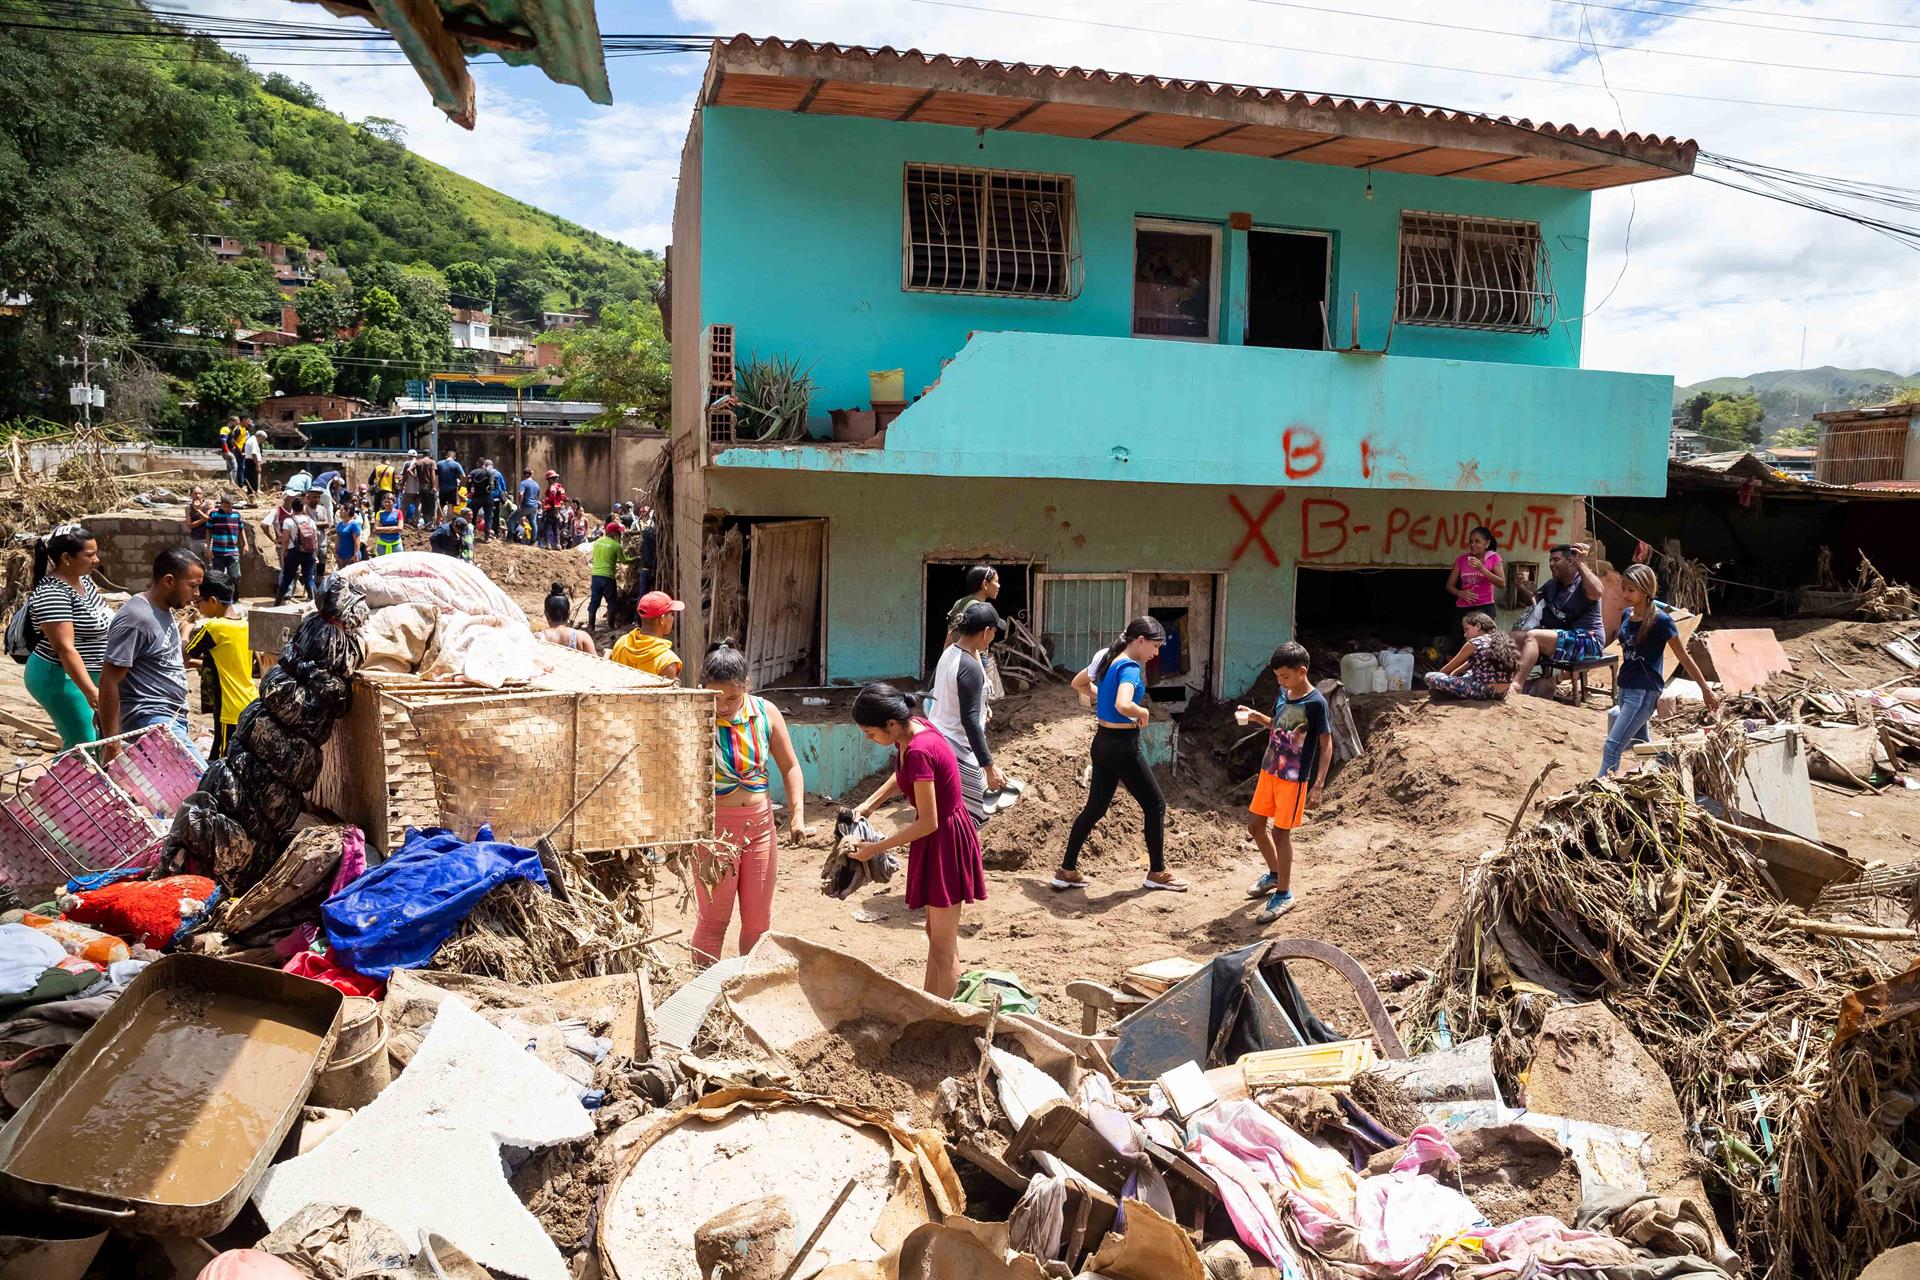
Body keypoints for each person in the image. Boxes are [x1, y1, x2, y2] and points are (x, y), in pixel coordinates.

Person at [847, 682, 986, 997]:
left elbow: (928, 821)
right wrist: (869, 804)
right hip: (939, 837)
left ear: (891, 724)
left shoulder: (920, 750)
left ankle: (953, 1022)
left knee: (944, 948)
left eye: (871, 733)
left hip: (945, 840)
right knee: (935, 936)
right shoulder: (915, 731)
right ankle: (929, 1004)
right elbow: (903, 774)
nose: (870, 740)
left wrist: (875, 849)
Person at [691, 640, 806, 966]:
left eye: (732, 697)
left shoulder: (765, 712)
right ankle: (702, 1002)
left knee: (758, 924)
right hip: (713, 834)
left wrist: (797, 814)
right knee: (713, 922)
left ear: (747, 687)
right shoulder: (693, 716)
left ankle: (749, 992)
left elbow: (790, 766)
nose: (724, 706)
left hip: (760, 828)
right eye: (716, 697)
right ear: (702, 687)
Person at [1053, 617, 1187, 893]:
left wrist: (1101, 697)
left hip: (1101, 742)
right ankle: (1157, 872)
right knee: (1156, 805)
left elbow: (1078, 683)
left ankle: (1066, 870)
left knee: (1095, 808)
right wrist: (1142, 712)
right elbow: (1124, 704)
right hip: (1123, 745)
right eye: (1155, 646)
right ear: (1140, 641)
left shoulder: (1106, 657)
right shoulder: (1129, 667)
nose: (1156, 653)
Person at [1238, 642, 1333, 923]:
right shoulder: (1283, 693)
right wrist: (1257, 718)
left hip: (1293, 779)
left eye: (1285, 676)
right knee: (1255, 826)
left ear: (1301, 671)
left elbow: (1327, 745)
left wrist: (1318, 784)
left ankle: (1284, 893)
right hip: (1270, 771)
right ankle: (1275, 873)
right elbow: (1281, 726)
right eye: (1278, 677)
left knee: (1281, 834)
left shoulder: (1316, 703)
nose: (1280, 682)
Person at [1601, 563, 1720, 777]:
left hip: (1643, 694)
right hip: (1625, 690)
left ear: (1646, 591)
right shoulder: (1627, 616)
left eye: (1631, 590)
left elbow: (1683, 656)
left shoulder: (1661, 621)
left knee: (1612, 747)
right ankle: (1671, 762)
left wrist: (1705, 690)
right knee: (1644, 746)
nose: (1625, 594)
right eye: (1624, 588)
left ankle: (1597, 791)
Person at [98, 546, 205, 758]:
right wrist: (112, 742)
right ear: (169, 581)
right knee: (204, 784)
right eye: (192, 586)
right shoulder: (137, 618)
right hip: (151, 721)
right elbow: (109, 679)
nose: (197, 594)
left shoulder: (163, 611)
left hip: (169, 719)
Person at [22, 525, 112, 749]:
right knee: (83, 744)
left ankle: (87, 784)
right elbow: (65, 648)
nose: (96, 560)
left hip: (88, 673)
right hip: (61, 677)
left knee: (101, 743)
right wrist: (91, 691)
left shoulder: (85, 582)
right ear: (66, 558)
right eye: (89, 555)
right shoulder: (53, 593)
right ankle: (54, 784)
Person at [930, 601, 1004, 825]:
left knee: (950, 812)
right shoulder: (969, 666)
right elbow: (970, 721)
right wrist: (989, 768)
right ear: (986, 632)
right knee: (976, 815)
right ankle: (959, 857)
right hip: (956, 747)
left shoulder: (951, 653)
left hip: (939, 736)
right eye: (994, 632)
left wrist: (983, 706)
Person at [1513, 543, 1606, 695]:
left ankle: (1516, 686)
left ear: (1570, 561)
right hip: (1564, 637)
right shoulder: (1553, 585)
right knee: (1514, 637)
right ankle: (1503, 681)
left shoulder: (1583, 583)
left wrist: (1581, 562)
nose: (1551, 564)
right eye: (1550, 560)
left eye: (1556, 560)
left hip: (1589, 642)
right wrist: (1521, 587)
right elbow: (1533, 600)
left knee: (1533, 636)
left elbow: (1597, 592)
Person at [184, 570, 257, 759]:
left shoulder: (214, 628)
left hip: (229, 709)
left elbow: (185, 654)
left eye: (200, 602)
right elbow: (226, 665)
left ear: (213, 601)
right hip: (248, 701)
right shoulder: (244, 625)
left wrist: (186, 629)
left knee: (223, 762)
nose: (198, 607)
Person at [1424, 613, 1518, 700]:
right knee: (1470, 673)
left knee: (1430, 676)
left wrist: (1437, 681)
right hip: (1502, 693)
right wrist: (1453, 675)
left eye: (1467, 629)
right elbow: (1466, 665)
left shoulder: (1474, 643)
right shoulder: (1502, 640)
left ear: (1478, 626)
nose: (1465, 634)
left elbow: (1449, 667)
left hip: (1484, 691)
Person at [1445, 526, 1506, 648]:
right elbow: (1449, 585)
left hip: (1485, 608)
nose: (1472, 545)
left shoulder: (1493, 558)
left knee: (1485, 646)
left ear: (1487, 543)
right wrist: (1460, 593)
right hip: (1463, 608)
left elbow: (1502, 583)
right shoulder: (1461, 560)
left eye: (1477, 541)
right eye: (1471, 541)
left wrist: (1482, 569)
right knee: (1455, 646)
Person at [609, 591, 683, 680]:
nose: (673, 618)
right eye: (671, 614)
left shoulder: (622, 643)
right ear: (662, 619)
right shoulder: (667, 661)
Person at [268, 491, 319, 607]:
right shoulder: (310, 521)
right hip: (309, 553)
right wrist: (315, 555)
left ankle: (276, 605)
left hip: (293, 553)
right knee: (309, 579)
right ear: (303, 508)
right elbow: (315, 539)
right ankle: (315, 605)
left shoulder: (288, 521)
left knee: (286, 578)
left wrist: (282, 553)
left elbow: (285, 540)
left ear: (292, 507)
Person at [586, 522, 629, 632]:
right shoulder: (616, 545)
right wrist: (635, 558)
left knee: (594, 601)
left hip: (595, 575)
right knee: (611, 601)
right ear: (614, 533)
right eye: (618, 532)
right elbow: (624, 560)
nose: (619, 534)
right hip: (608, 577)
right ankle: (610, 626)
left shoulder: (597, 542)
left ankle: (591, 626)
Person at [534, 583, 596, 654]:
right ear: (568, 613)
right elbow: (596, 663)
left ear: (546, 614)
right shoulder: (582, 637)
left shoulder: (537, 639)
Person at [204, 493, 246, 584]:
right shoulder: (214, 514)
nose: (227, 509)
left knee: (236, 576)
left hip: (232, 550)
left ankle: (234, 596)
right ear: (221, 504)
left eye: (229, 506)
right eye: (225, 506)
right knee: (218, 577)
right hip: (218, 551)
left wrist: (245, 544)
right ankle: (220, 597)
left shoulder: (236, 514)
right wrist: (208, 548)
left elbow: (241, 529)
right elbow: (208, 531)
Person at [469, 458, 502, 540]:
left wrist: (471, 491)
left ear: (477, 464)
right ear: (484, 464)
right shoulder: (489, 472)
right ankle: (486, 537)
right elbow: (493, 486)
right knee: (488, 517)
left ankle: (472, 533)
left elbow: (468, 484)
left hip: (476, 497)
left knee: (473, 516)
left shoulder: (473, 472)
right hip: (487, 497)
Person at [539, 471, 567, 549]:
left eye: (548, 480)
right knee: (556, 529)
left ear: (550, 479)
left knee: (545, 528)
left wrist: (546, 500)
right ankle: (558, 545)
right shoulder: (560, 487)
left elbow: (552, 493)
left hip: (550, 511)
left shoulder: (553, 487)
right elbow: (564, 498)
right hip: (557, 511)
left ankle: (548, 544)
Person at [411, 452, 439, 527]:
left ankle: (426, 521)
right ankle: (429, 523)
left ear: (423, 455)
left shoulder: (418, 462)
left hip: (420, 486)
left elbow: (409, 470)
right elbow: (433, 474)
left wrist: (415, 477)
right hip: (429, 485)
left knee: (424, 504)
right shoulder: (432, 462)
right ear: (430, 455)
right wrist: (433, 486)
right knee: (431, 505)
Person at [334, 496, 364, 567]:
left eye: (341, 510)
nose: (340, 512)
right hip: (341, 556)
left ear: (347, 511)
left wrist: (355, 554)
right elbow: (337, 538)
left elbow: (357, 541)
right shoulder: (340, 524)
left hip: (351, 556)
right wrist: (336, 553)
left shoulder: (354, 525)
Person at [435, 449, 465, 521]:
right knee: (450, 506)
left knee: (441, 505)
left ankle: (437, 522)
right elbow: (463, 475)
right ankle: (449, 523)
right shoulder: (456, 464)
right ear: (454, 457)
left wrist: (435, 486)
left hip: (442, 488)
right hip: (452, 488)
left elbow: (435, 476)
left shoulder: (439, 463)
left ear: (446, 456)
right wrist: (460, 482)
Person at [513, 468, 540, 544]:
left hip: (525, 506)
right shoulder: (536, 484)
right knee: (533, 523)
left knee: (511, 519)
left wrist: (519, 504)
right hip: (534, 506)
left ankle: (509, 537)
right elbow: (537, 495)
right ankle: (533, 540)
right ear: (531, 474)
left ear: (523, 475)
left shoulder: (523, 483)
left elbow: (521, 493)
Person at [185, 486, 211, 555]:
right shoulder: (188, 508)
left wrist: (198, 510)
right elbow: (190, 526)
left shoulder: (208, 505)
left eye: (200, 493)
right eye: (195, 494)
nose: (198, 496)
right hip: (195, 539)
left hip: (208, 539)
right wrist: (204, 519)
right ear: (191, 495)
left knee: (211, 562)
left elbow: (208, 518)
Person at [400, 450, 423, 526]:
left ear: (408, 456)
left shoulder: (407, 463)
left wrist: (402, 486)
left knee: (404, 505)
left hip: (409, 488)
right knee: (418, 505)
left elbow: (405, 476)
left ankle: (401, 521)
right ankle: (415, 522)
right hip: (419, 488)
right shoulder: (420, 463)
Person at [240, 423, 263, 496]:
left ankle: (252, 495)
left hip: (251, 461)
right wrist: (258, 466)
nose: (263, 441)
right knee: (253, 481)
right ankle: (252, 496)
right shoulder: (253, 441)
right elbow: (254, 454)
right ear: (259, 436)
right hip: (252, 462)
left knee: (252, 480)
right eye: (263, 439)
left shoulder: (252, 440)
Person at [219, 417, 238, 484]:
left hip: (230, 451)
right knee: (234, 468)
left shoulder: (231, 430)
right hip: (227, 451)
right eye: (236, 422)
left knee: (230, 468)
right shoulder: (225, 429)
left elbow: (231, 441)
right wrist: (227, 451)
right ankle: (232, 484)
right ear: (232, 421)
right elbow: (223, 441)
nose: (237, 424)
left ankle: (231, 483)